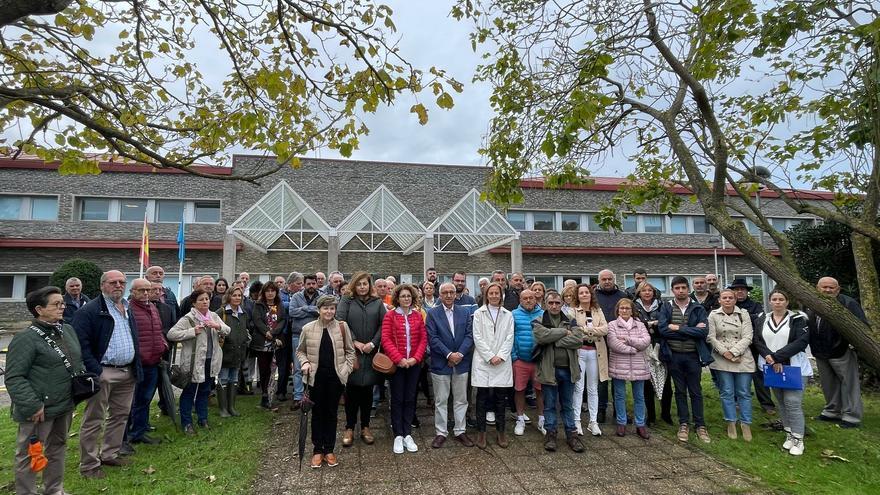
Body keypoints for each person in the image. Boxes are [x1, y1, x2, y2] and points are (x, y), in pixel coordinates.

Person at [7, 286, 85, 493]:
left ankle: (54, 489)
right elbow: (14, 377)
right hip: (37, 409)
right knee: (29, 453)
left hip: (64, 403)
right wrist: (33, 405)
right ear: (39, 309)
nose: (62, 308)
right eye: (56, 304)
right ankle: (27, 492)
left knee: (58, 447)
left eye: (63, 304)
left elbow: (75, 361)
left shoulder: (66, 330)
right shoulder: (26, 338)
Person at [73, 270, 142, 479]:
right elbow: (80, 344)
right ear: (102, 285)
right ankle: (89, 465)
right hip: (103, 372)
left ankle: (110, 453)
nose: (118, 285)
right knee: (94, 420)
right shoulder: (90, 311)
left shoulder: (127, 307)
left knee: (120, 416)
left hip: (127, 372)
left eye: (122, 282)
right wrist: (97, 371)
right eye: (113, 282)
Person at [297, 295, 356, 468]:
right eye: (325, 308)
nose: (329, 311)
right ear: (319, 309)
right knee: (317, 414)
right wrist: (305, 362)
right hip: (315, 379)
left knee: (331, 413)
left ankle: (329, 449)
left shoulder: (342, 327)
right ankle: (317, 450)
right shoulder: (308, 328)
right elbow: (300, 351)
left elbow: (350, 351)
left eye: (332, 308)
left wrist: (346, 370)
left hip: (335, 378)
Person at [754, 289, 810, 455]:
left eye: (781, 299)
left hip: (794, 366)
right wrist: (769, 358)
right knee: (781, 402)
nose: (777, 302)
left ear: (787, 302)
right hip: (770, 366)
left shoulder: (798, 319)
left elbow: (801, 341)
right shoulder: (762, 318)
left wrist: (778, 358)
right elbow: (757, 340)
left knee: (793, 401)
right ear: (770, 301)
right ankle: (789, 435)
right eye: (774, 299)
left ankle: (799, 438)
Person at [167, 289, 230, 435]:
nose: (205, 302)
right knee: (189, 392)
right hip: (193, 363)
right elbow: (171, 334)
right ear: (194, 303)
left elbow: (227, 330)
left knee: (205, 391)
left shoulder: (213, 316)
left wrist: (217, 326)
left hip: (210, 361)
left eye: (207, 299)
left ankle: (203, 419)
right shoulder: (188, 319)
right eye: (201, 299)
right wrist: (191, 332)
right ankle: (187, 423)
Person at [658, 276, 712, 444]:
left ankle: (700, 425)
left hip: (693, 355)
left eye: (683, 287)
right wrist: (690, 330)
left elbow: (703, 332)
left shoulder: (698, 308)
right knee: (680, 391)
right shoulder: (667, 307)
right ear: (673, 290)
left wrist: (678, 328)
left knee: (696, 391)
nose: (680, 290)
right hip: (674, 356)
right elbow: (663, 330)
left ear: (688, 289)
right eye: (677, 288)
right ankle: (683, 423)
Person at [807, 276, 866, 428]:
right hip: (820, 351)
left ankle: (851, 416)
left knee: (849, 384)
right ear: (817, 288)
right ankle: (832, 411)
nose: (827, 290)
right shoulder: (811, 303)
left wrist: (852, 345)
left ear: (838, 289)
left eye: (831, 288)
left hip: (841, 351)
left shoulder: (848, 303)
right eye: (824, 287)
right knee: (828, 384)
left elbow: (862, 327)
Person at [336, 272, 387, 446]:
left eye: (365, 284)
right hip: (352, 352)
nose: (362, 287)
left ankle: (365, 426)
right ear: (354, 286)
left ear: (369, 285)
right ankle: (349, 427)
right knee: (351, 391)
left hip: (371, 353)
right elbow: (340, 322)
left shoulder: (378, 302)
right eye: (359, 284)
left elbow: (383, 324)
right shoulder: (347, 300)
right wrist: (355, 342)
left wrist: (373, 343)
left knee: (367, 392)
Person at [531, 291, 585, 453]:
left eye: (557, 303)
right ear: (545, 304)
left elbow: (578, 340)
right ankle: (551, 434)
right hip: (549, 370)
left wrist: (554, 340)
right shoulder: (539, 320)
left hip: (568, 370)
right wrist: (563, 332)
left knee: (567, 404)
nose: (554, 306)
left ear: (562, 304)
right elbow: (541, 337)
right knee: (549, 405)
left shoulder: (570, 319)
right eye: (551, 303)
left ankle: (572, 435)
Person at [425, 282, 476, 448]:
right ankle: (441, 432)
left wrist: (459, 354)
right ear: (440, 295)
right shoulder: (432, 314)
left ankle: (460, 430)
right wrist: (448, 354)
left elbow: (470, 335)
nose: (448, 295)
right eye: (445, 292)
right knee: (441, 399)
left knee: (461, 399)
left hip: (461, 362)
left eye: (451, 292)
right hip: (441, 362)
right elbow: (432, 338)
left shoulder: (465, 311)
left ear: (455, 294)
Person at [381, 284, 428, 454]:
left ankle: (407, 433)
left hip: (414, 364)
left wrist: (415, 358)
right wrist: (399, 359)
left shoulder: (417, 316)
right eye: (403, 296)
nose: (406, 299)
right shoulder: (390, 316)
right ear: (397, 298)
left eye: (409, 296)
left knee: (410, 398)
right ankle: (398, 435)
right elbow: (386, 340)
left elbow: (423, 339)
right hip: (397, 364)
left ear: (413, 298)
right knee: (397, 398)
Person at [707, 289, 756, 441]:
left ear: (735, 300)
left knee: (744, 392)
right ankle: (731, 422)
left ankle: (746, 423)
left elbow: (748, 336)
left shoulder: (743, 314)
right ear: (719, 300)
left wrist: (735, 352)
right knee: (727, 392)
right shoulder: (713, 315)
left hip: (742, 357)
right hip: (722, 357)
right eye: (724, 298)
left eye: (730, 298)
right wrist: (726, 353)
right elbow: (711, 337)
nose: (727, 300)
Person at [470, 282, 515, 449]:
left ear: (501, 295)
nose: (494, 296)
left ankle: (501, 432)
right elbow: (477, 337)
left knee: (500, 399)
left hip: (502, 362)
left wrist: (501, 356)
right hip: (483, 361)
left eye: (497, 293)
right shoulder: (478, 313)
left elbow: (510, 337)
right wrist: (490, 356)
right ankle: (481, 432)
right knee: (481, 398)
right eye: (491, 293)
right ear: (486, 295)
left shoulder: (508, 315)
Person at [126, 278, 168, 446]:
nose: (145, 293)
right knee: (136, 399)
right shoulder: (129, 309)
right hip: (139, 363)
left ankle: (140, 428)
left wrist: (163, 344)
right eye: (141, 290)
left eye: (147, 290)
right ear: (133, 292)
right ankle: (133, 432)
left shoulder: (152, 307)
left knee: (145, 398)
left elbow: (158, 330)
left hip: (154, 361)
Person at [728, 278, 776, 415]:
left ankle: (767, 404)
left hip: (754, 345)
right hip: (735, 345)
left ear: (746, 291)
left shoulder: (756, 305)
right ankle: (737, 401)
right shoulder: (730, 305)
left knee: (759, 375)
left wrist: (743, 317)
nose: (740, 292)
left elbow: (759, 319)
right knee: (736, 374)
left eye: (742, 289)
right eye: (737, 289)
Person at [607, 298, 652, 439]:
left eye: (627, 308)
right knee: (619, 395)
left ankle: (640, 424)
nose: (625, 311)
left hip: (638, 365)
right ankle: (621, 422)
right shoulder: (612, 325)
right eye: (622, 308)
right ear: (618, 310)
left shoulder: (640, 325)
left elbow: (646, 341)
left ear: (632, 310)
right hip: (619, 364)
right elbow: (613, 343)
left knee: (639, 396)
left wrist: (628, 340)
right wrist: (633, 349)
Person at [571, 283, 609, 437]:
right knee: (578, 387)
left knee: (593, 388)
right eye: (581, 293)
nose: (584, 295)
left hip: (596, 352)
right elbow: (574, 331)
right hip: (579, 352)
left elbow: (605, 329)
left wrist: (587, 330)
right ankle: (576, 420)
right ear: (577, 296)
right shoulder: (573, 311)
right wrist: (593, 331)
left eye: (587, 292)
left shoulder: (597, 310)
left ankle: (593, 422)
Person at [634, 281, 671, 425]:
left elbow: (665, 322)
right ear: (639, 293)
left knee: (666, 382)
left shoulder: (662, 305)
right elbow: (634, 324)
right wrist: (650, 324)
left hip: (660, 345)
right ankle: (651, 416)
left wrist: (654, 324)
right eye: (644, 290)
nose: (647, 293)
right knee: (647, 383)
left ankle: (666, 414)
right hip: (643, 347)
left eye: (650, 290)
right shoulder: (634, 306)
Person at [595, 269, 627, 423]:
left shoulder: (623, 296)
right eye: (604, 279)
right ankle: (601, 410)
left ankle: (619, 410)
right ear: (599, 280)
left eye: (609, 279)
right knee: (602, 379)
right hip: (599, 341)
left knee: (618, 378)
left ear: (614, 279)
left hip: (619, 341)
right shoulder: (594, 297)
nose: (607, 281)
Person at [511, 289, 545, 436]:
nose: (528, 300)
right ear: (520, 300)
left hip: (539, 361)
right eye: (525, 298)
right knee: (519, 390)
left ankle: (542, 420)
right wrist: (514, 357)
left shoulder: (543, 314)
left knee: (540, 391)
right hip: (521, 360)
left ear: (535, 299)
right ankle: (520, 418)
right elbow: (509, 336)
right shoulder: (513, 315)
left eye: (531, 298)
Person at [253, 281, 288, 408]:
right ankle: (264, 395)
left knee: (275, 369)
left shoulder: (280, 305)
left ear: (276, 292)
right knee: (264, 370)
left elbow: (283, 320)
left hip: (277, 340)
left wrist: (273, 333)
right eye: (267, 291)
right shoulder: (258, 305)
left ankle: (273, 394)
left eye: (272, 291)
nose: (270, 293)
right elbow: (257, 320)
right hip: (262, 342)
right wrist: (266, 332)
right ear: (264, 292)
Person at [217, 287, 250, 417]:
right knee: (223, 378)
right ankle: (223, 408)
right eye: (234, 295)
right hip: (225, 351)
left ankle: (231, 407)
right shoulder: (221, 312)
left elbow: (244, 331)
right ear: (228, 296)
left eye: (239, 295)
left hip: (238, 352)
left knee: (234, 379)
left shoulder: (243, 313)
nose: (237, 298)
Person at [289, 274, 320, 404]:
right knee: (298, 368)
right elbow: (292, 312)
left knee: (315, 367)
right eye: (308, 284)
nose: (311, 286)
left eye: (313, 283)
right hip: (298, 335)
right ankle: (298, 397)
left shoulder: (322, 297)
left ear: (316, 284)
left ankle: (313, 395)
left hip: (316, 335)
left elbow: (322, 312)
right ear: (304, 284)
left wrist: (303, 309)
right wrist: (310, 310)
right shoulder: (296, 296)